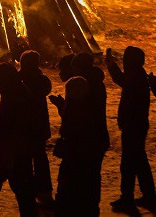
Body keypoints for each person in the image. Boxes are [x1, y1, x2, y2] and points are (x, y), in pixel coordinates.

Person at [0, 63, 37, 217]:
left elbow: (13, 126)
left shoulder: (14, 96)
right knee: (21, 190)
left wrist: (6, 150)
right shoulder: (17, 92)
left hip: (11, 151)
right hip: (15, 151)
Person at [106, 46, 155, 211]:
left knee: (129, 163)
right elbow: (122, 80)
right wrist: (112, 65)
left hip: (133, 125)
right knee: (139, 160)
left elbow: (122, 81)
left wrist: (112, 66)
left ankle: (127, 197)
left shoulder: (135, 77)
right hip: (137, 124)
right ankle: (148, 194)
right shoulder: (138, 74)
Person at [50, 76, 103, 217]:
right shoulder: (90, 106)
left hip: (74, 158)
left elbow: (71, 129)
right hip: (86, 158)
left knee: (68, 191)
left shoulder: (75, 108)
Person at [18, 50, 53, 202]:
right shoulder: (43, 80)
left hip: (24, 127)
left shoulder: (18, 81)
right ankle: (44, 191)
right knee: (40, 158)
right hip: (40, 126)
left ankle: (28, 191)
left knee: (25, 160)